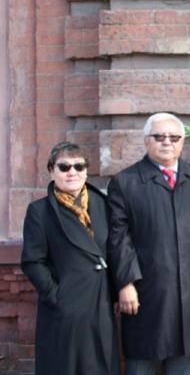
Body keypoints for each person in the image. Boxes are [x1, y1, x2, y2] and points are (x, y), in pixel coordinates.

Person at [107, 112, 190, 375]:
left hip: (187, 293)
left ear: (182, 143)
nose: (166, 142)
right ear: (146, 141)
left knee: (182, 364)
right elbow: (118, 237)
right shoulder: (125, 181)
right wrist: (126, 283)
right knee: (142, 363)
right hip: (145, 291)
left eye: (174, 137)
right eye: (159, 137)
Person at [21, 142, 119, 375]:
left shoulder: (102, 204)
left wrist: (116, 292)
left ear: (86, 170)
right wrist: (57, 296)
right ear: (51, 170)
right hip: (64, 309)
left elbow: (115, 249)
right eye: (64, 167)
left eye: (78, 166)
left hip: (101, 304)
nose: (72, 172)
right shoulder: (40, 211)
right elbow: (33, 261)